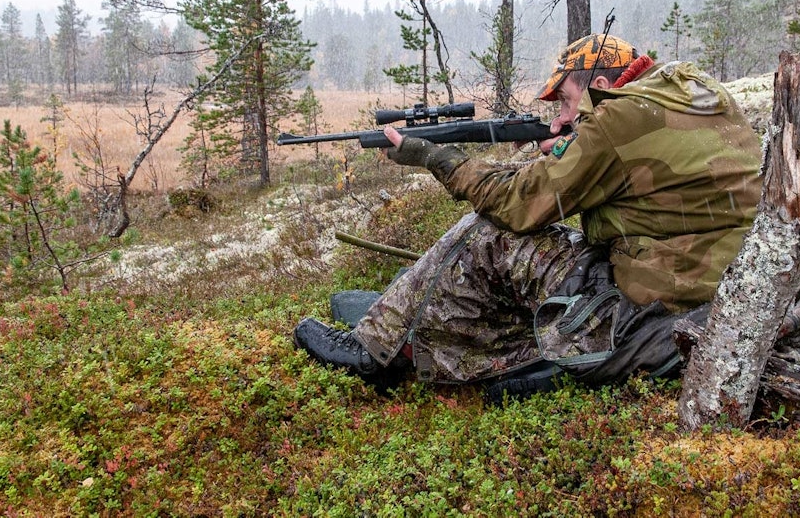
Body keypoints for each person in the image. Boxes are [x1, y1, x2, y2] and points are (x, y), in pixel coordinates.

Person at [294, 32, 764, 398]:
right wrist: (573, 145)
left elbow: (520, 206)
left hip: (651, 304)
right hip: (720, 286)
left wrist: (435, 157)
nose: (561, 112)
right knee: (527, 251)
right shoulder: (692, 92)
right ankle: (417, 302)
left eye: (565, 99)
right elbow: (649, 184)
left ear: (600, 87)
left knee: (489, 234)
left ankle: (375, 350)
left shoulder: (618, 120)